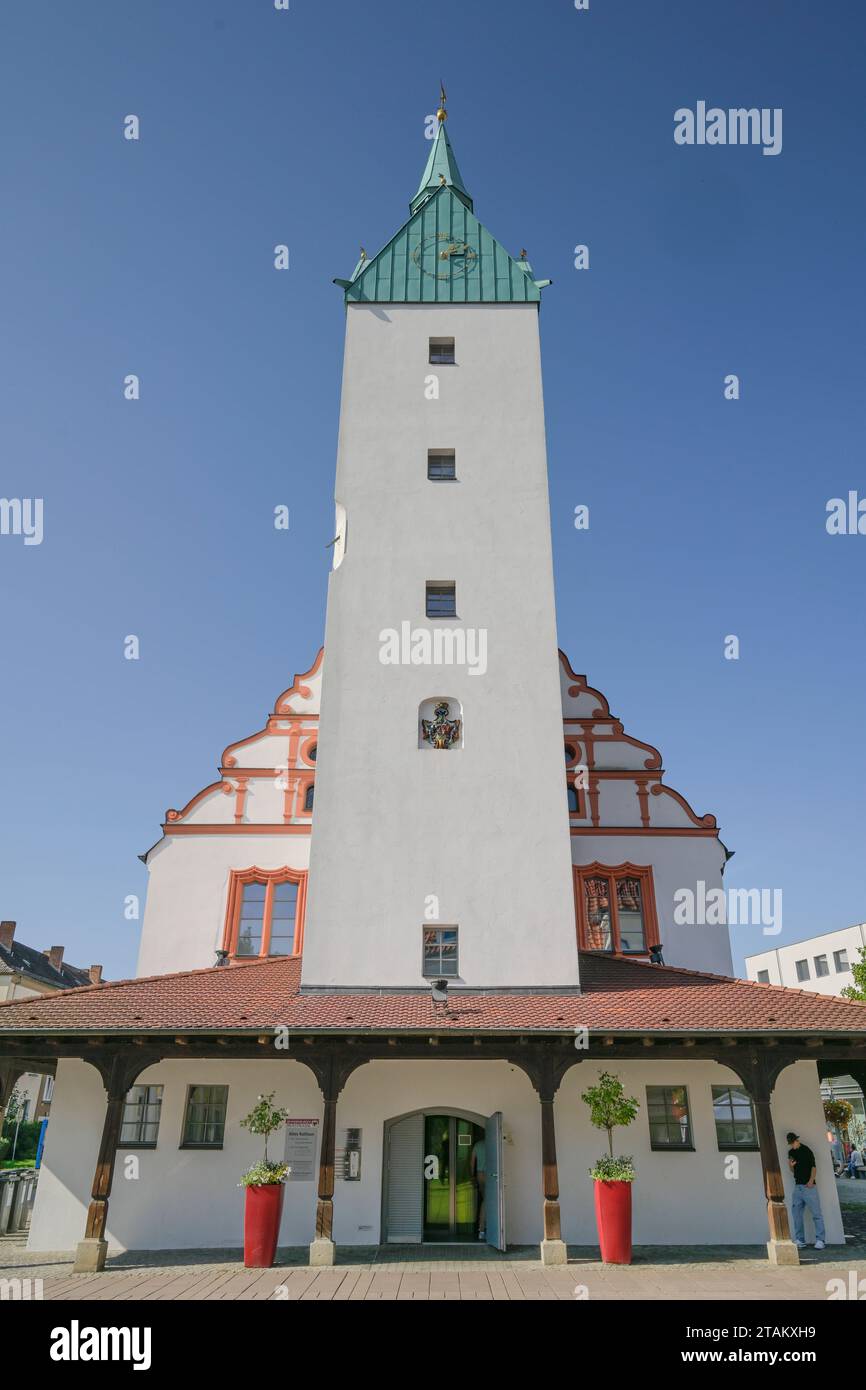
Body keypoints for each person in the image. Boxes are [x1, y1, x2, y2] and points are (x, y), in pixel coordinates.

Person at [786, 1131, 826, 1250]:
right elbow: (792, 1171)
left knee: (816, 1214)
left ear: (797, 1140)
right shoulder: (791, 1152)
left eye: (793, 1142)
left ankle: (820, 1240)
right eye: (790, 1143)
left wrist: (811, 1180)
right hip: (797, 1187)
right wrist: (791, 1166)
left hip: (809, 1186)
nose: (792, 1145)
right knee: (796, 1214)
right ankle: (800, 1240)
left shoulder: (807, 1150)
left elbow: (813, 1167)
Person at [470, 1135, 486, 1241]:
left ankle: (482, 1229)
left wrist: (472, 1176)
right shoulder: (493, 1143)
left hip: (480, 1174)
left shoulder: (478, 1145)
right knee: (487, 1202)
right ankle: (482, 1229)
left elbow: (472, 1162)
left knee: (486, 1200)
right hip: (492, 1173)